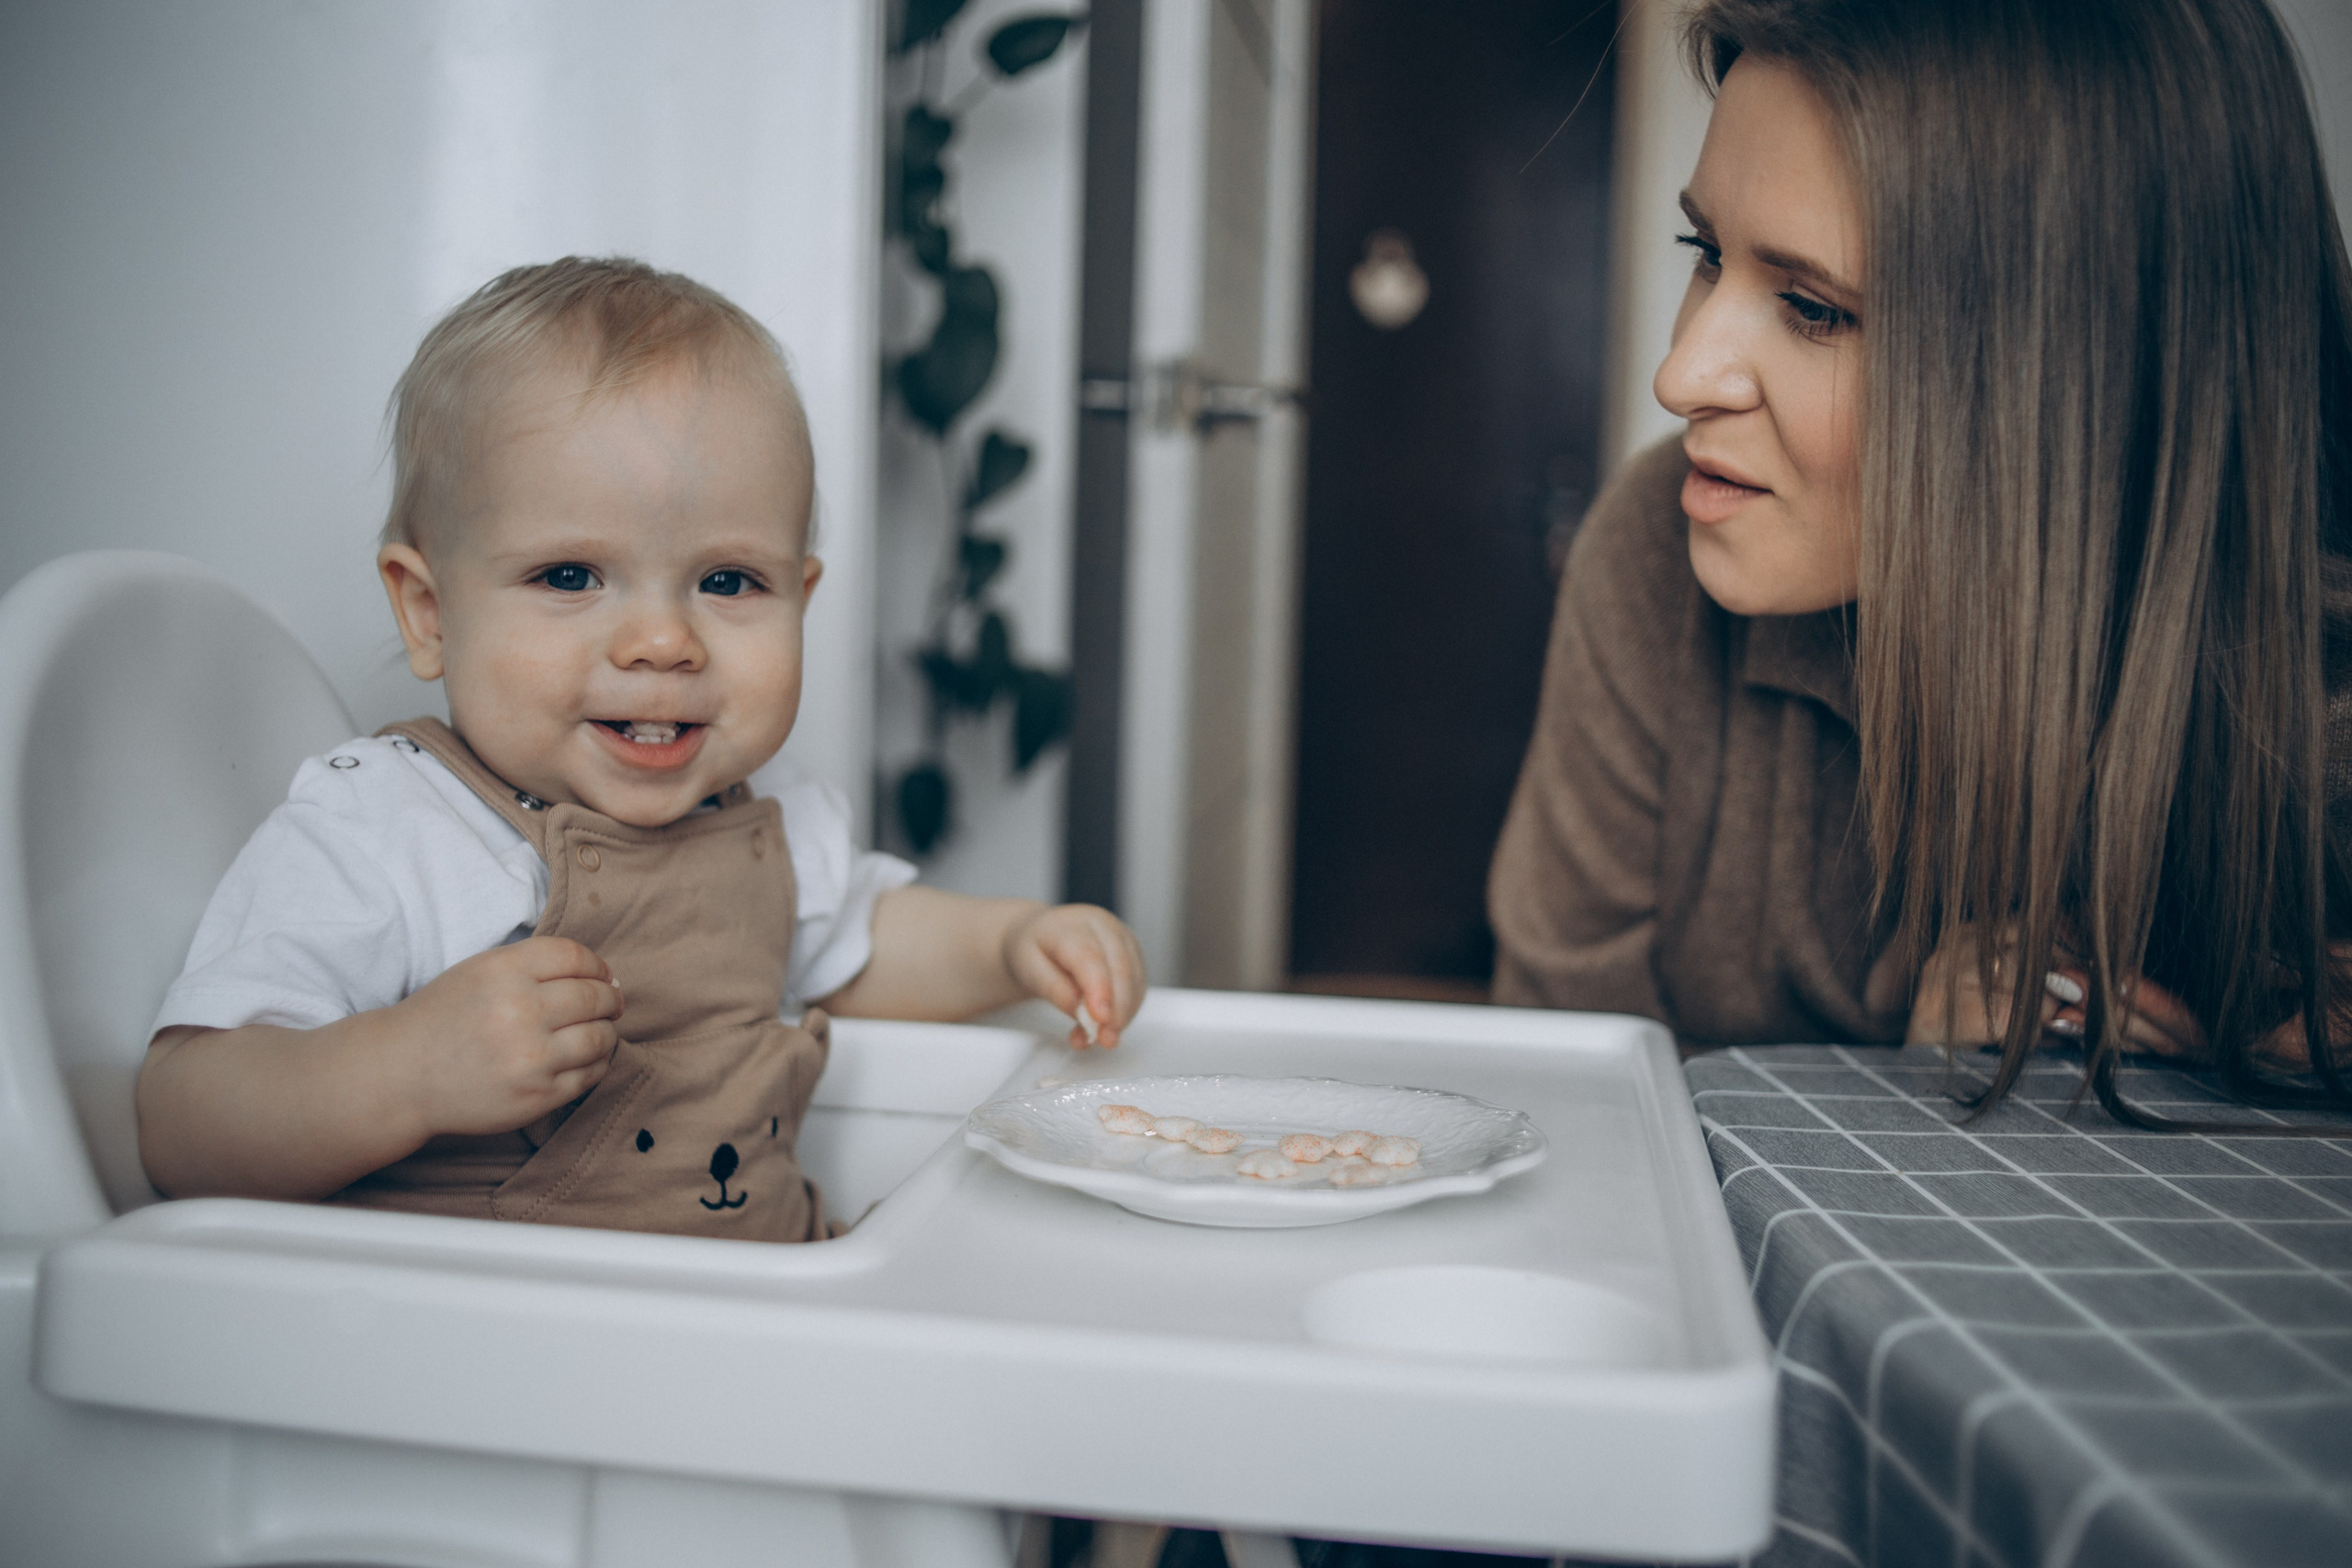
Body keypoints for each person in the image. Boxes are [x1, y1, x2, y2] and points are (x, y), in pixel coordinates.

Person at [137, 257, 1147, 1235]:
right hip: (484, 1357)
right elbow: (183, 1126)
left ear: (801, 597)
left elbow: (870, 940)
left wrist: (1015, 945)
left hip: (748, 1315)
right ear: (429, 611)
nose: (664, 643)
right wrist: (405, 1068)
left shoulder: (768, 815)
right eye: (571, 577)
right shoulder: (381, 830)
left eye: (728, 583)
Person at [1489, 0, 2351, 1123]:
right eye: (1706, 253)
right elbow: (1566, 1097)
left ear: (2087, 374)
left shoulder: (2321, 688)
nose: (1681, 373)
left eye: (1811, 308)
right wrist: (1898, 1086)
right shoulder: (1659, 543)